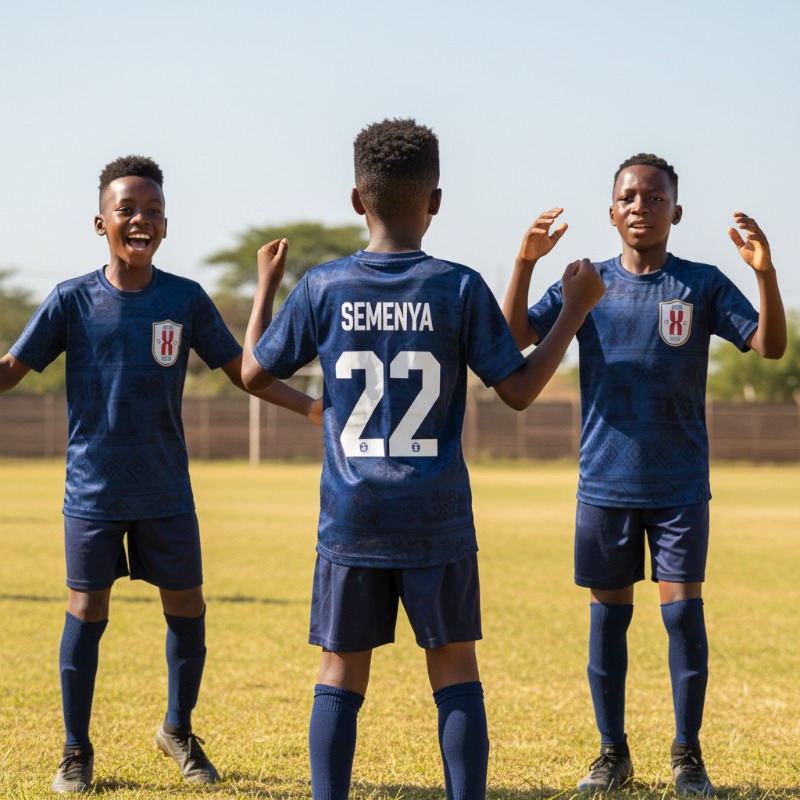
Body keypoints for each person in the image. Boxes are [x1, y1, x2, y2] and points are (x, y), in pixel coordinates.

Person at [241, 118, 604, 800]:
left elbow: (254, 373)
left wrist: (267, 289)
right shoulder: (458, 287)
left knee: (340, 669)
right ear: (435, 201)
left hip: (352, 515)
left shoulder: (323, 286)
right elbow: (520, 391)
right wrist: (574, 312)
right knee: (454, 666)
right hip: (435, 513)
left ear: (357, 200)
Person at [0, 155, 321, 793]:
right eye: (127, 210)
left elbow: (243, 371)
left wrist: (312, 406)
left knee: (188, 604)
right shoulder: (71, 300)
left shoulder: (184, 299)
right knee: (87, 608)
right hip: (93, 488)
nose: (139, 220)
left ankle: (177, 728)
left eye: (152, 211)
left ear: (166, 226)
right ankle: (75, 749)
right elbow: (11, 369)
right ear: (101, 222)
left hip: (167, 489)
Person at [502, 154, 786, 797]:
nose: (640, 207)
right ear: (611, 212)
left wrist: (766, 278)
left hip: (680, 484)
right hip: (605, 482)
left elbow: (769, 347)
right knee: (608, 621)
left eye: (654, 198)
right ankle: (612, 753)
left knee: (684, 616)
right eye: (628, 197)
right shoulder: (585, 282)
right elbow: (514, 333)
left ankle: (688, 755)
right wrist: (525, 264)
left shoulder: (702, 285)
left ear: (675, 212)